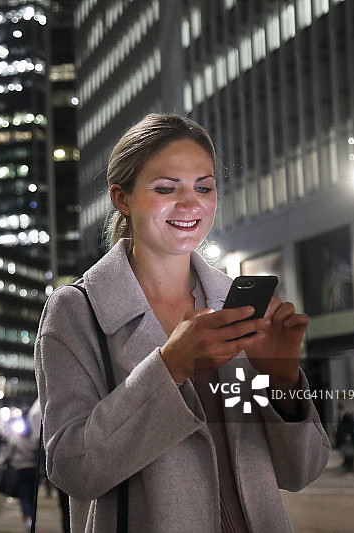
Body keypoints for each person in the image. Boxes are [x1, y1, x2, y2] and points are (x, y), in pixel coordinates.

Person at [34, 113, 331, 532]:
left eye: (203, 187)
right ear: (122, 198)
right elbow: (73, 469)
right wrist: (169, 368)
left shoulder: (236, 303)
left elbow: (302, 472)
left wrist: (281, 377)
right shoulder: (77, 311)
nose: (191, 204)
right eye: (165, 188)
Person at [6, 412, 40, 531]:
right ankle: (32, 518)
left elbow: (9, 454)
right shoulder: (34, 438)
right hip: (33, 469)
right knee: (32, 496)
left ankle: (28, 518)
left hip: (20, 469)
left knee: (24, 495)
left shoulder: (14, 438)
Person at [335, 402, 354, 472]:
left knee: (349, 450)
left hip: (347, 436)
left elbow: (349, 426)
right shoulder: (341, 416)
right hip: (342, 436)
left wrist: (348, 435)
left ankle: (350, 465)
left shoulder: (346, 416)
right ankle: (346, 463)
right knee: (345, 450)